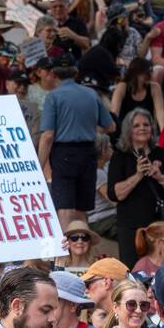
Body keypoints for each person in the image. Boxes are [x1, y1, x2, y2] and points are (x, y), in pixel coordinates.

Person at [38, 55, 116, 229]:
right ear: (75, 72)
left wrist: (39, 166)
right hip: (88, 152)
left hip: (64, 154)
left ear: (53, 74)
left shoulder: (53, 97)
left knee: (65, 208)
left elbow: (48, 135)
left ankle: (67, 253)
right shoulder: (91, 93)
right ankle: (83, 249)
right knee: (82, 208)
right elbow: (110, 126)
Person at [107, 109, 164, 264]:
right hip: (130, 228)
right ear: (128, 130)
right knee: (134, 274)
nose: (142, 128)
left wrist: (160, 178)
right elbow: (115, 194)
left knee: (162, 271)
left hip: (159, 227)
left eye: (146, 124)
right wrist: (138, 175)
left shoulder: (162, 154)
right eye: (136, 125)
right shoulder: (120, 156)